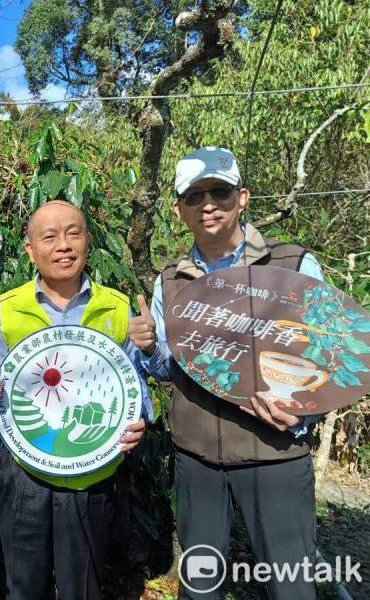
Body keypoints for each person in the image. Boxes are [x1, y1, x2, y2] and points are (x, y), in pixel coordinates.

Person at [129, 146, 324, 600]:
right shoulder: (170, 279)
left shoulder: (292, 265)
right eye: (194, 196)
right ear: (179, 209)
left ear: (243, 197)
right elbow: (165, 369)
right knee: (200, 587)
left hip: (274, 454)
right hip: (197, 462)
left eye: (220, 191)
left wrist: (305, 417)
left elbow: (336, 358)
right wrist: (150, 345)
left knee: (291, 586)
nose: (208, 204)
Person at [0, 200, 154, 600]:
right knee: (24, 586)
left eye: (72, 233)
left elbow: (134, 383)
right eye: (49, 237)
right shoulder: (8, 308)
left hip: (93, 471)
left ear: (87, 241)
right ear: (31, 250)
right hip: (23, 472)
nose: (63, 246)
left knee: (83, 587)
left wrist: (140, 418)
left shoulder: (118, 308)